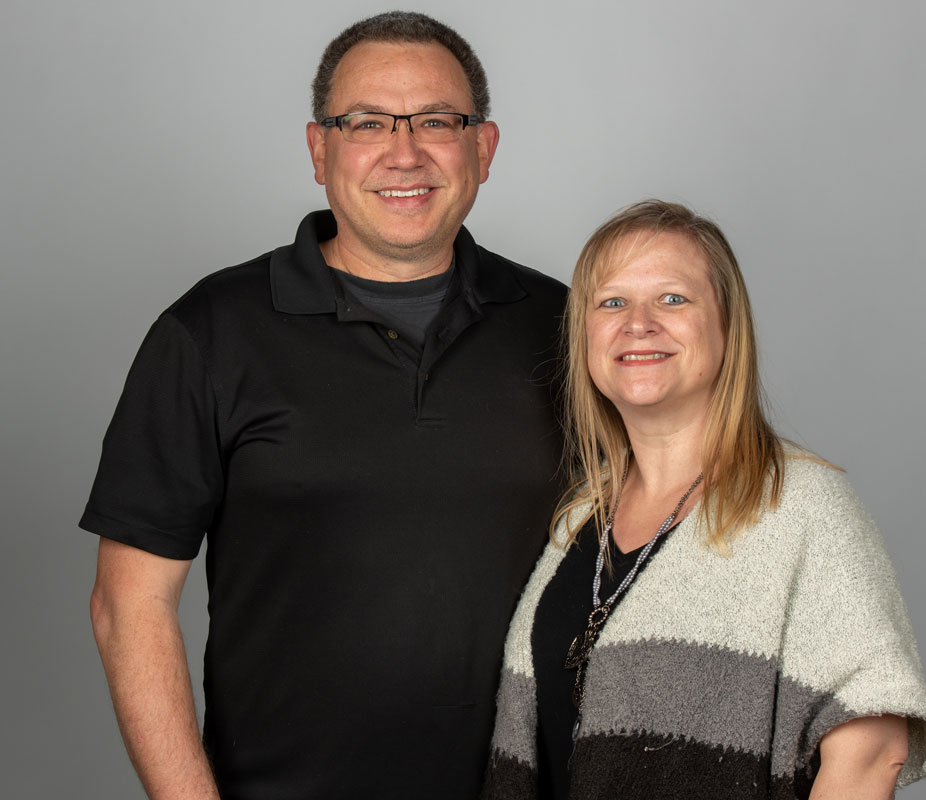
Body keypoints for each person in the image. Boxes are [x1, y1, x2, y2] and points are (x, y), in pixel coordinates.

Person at [82, 12, 566, 800]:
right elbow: (127, 605)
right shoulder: (210, 333)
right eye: (367, 122)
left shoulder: (567, 328)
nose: (404, 152)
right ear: (319, 150)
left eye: (437, 121)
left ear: (483, 148)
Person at [482, 201, 926, 799]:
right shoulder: (577, 517)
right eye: (612, 302)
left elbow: (872, 750)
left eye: (673, 299)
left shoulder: (801, 507)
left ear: (728, 327)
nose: (639, 323)